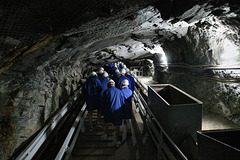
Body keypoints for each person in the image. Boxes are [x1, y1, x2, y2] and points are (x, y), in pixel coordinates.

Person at [102, 79, 125, 147]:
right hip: (117, 111)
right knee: (117, 126)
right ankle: (117, 141)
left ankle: (105, 134)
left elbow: (104, 103)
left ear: (108, 85)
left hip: (108, 110)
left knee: (105, 122)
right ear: (114, 84)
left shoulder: (106, 92)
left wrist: (103, 111)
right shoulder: (119, 92)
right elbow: (122, 102)